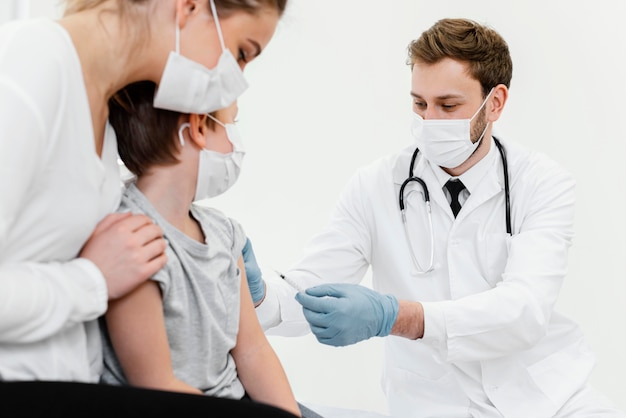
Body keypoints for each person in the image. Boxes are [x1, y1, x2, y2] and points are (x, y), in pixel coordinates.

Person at [244, 18, 625, 418]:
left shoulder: (543, 183)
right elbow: (310, 292)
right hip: (434, 407)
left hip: (552, 400)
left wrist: (398, 317)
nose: (429, 121)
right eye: (419, 104)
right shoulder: (376, 186)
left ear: (494, 102)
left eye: (448, 106)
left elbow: (524, 311)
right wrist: (261, 296)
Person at [0, 0, 298, 415]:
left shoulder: (101, 118)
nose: (235, 83)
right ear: (191, 6)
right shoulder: (28, 65)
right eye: (242, 53)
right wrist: (92, 280)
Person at [102, 80, 301, 417]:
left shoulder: (224, 232)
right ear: (196, 128)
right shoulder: (132, 243)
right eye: (232, 123)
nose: (236, 142)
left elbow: (252, 351)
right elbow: (156, 386)